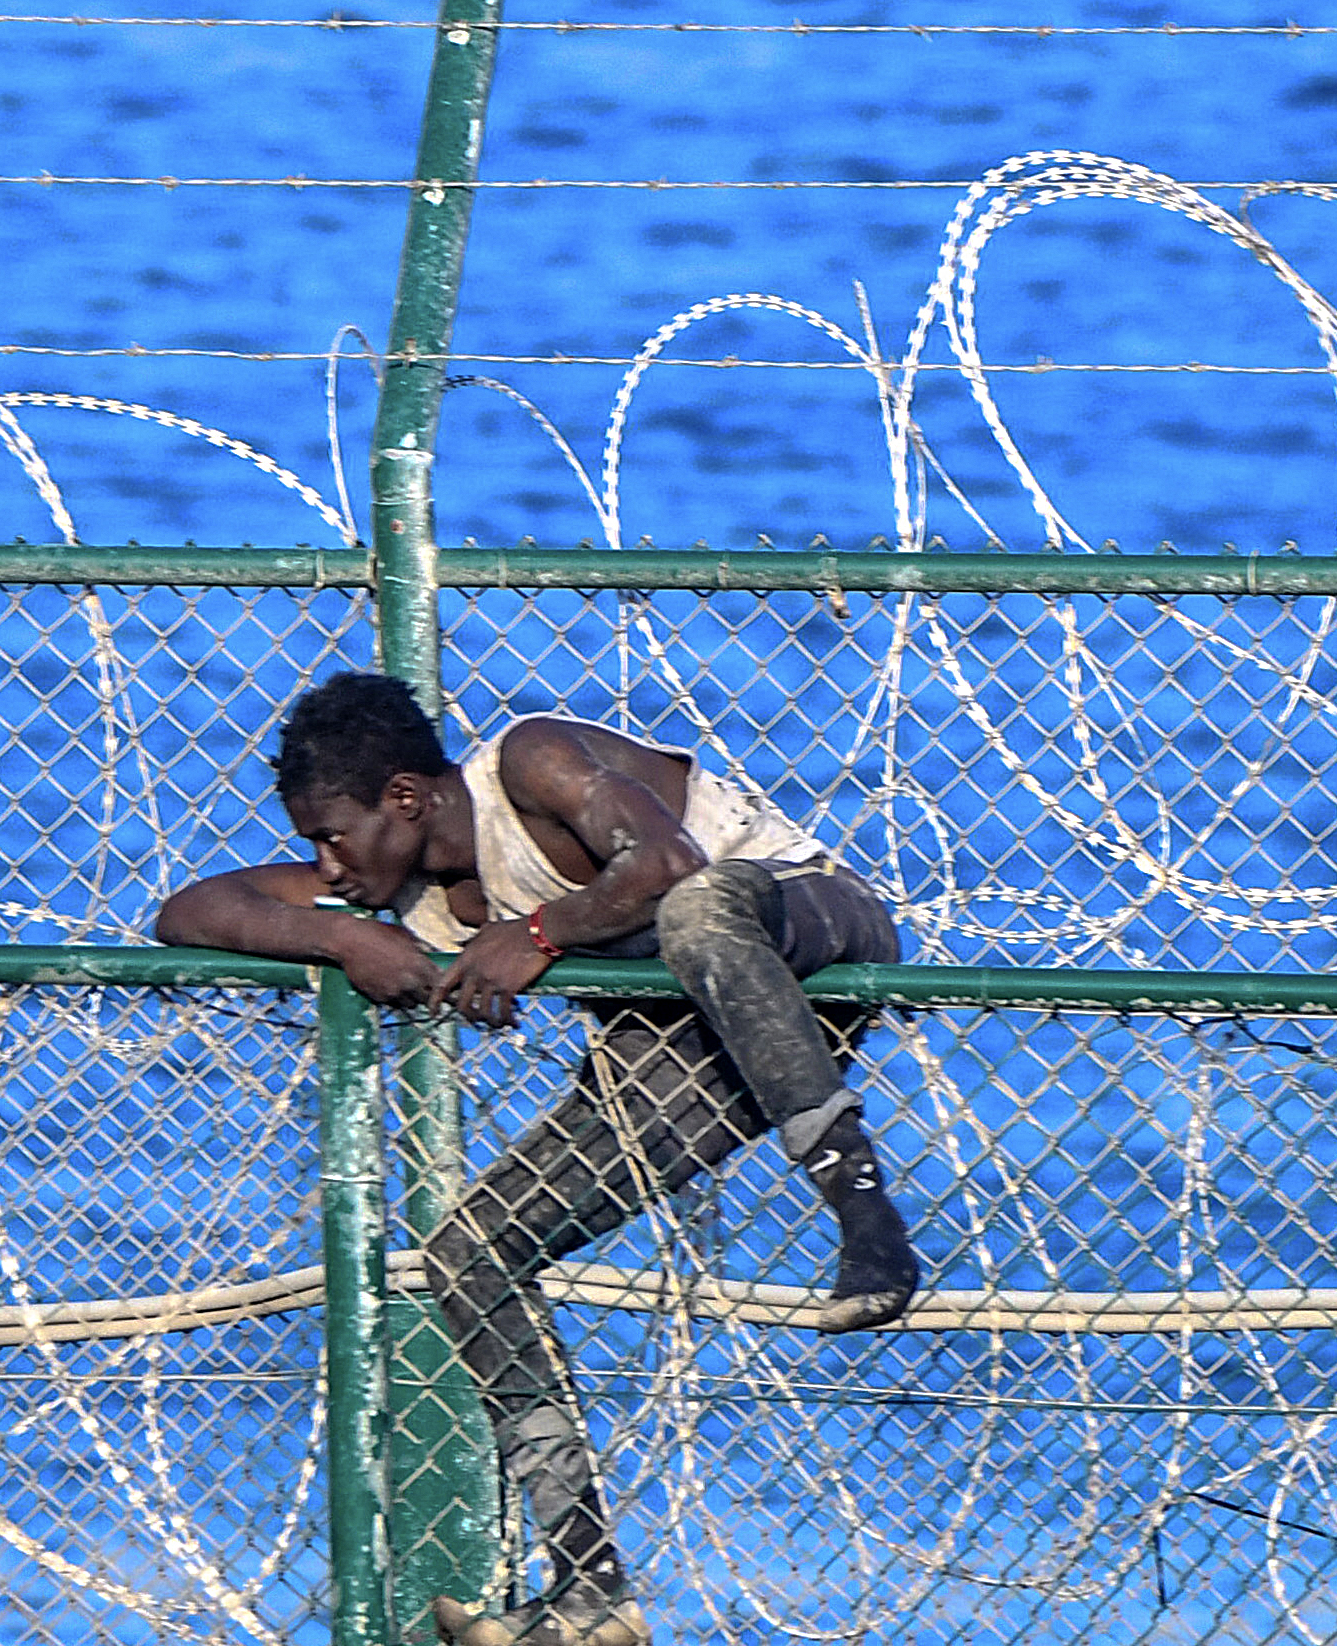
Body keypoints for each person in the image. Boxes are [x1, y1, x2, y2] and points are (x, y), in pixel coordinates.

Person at [154, 672, 921, 1646]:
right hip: (679, 1034)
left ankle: (865, 1217)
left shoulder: (525, 764)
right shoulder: (407, 894)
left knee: (697, 911)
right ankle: (591, 1592)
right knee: (467, 1251)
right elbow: (189, 908)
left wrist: (541, 931)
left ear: (403, 799)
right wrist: (338, 935)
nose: (325, 861)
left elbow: (668, 861)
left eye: (333, 837)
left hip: (804, 929)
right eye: (312, 846)